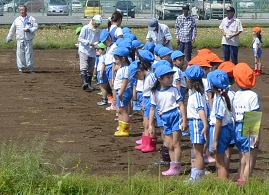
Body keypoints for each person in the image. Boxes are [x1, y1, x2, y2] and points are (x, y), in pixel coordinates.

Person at [148, 65, 187, 176]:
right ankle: (172, 166)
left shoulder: (174, 89)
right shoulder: (155, 92)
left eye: (171, 77)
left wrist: (184, 120)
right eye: (168, 77)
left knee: (176, 143)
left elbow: (181, 105)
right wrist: (151, 124)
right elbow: (152, 108)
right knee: (169, 144)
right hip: (164, 117)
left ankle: (176, 167)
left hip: (175, 116)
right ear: (160, 79)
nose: (171, 79)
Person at [232, 63, 260, 183]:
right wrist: (256, 135)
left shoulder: (235, 95)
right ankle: (245, 184)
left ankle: (240, 179)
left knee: (242, 158)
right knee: (249, 159)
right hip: (249, 125)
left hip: (237, 127)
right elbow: (253, 116)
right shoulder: (253, 95)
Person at [183, 65, 208, 183]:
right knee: (197, 151)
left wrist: (205, 124)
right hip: (195, 123)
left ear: (188, 80)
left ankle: (197, 179)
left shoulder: (197, 95)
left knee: (198, 153)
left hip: (198, 124)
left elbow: (201, 110)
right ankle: (196, 176)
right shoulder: (196, 93)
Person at [207, 70, 233, 179]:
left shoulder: (218, 100)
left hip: (220, 132)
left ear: (212, 85)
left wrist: (215, 141)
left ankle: (223, 184)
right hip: (226, 130)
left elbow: (218, 122)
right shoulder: (225, 96)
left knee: (220, 162)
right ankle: (221, 180)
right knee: (220, 160)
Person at [6, 5, 38, 73]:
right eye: (20, 10)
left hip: (28, 40)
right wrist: (9, 37)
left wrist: (30, 30)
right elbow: (12, 30)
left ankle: (30, 69)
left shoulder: (31, 18)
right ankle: (21, 68)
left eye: (23, 10)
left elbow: (36, 26)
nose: (22, 11)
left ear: (26, 10)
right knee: (20, 54)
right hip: (20, 40)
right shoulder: (17, 20)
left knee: (29, 54)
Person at [78, 14, 102, 92]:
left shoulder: (98, 31)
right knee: (84, 66)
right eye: (96, 23)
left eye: (98, 23)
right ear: (92, 20)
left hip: (92, 51)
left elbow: (99, 41)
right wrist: (88, 42)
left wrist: (97, 45)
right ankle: (84, 83)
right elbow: (80, 38)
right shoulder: (85, 28)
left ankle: (88, 84)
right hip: (84, 50)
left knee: (91, 69)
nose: (97, 25)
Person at [113, 47, 133, 137]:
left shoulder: (125, 69)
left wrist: (120, 93)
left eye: (117, 59)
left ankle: (125, 130)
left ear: (123, 58)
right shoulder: (122, 68)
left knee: (124, 111)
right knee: (119, 110)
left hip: (123, 92)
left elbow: (124, 83)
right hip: (120, 91)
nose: (115, 61)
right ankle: (121, 128)